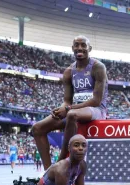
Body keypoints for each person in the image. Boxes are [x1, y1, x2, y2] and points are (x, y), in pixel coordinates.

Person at [31, 35, 108, 170]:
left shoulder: (98, 67)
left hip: (95, 110)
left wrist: (67, 109)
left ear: (89, 48)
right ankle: (49, 172)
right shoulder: (68, 72)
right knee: (37, 128)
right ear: (72, 48)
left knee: (72, 115)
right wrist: (60, 109)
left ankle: (62, 158)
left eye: (83, 45)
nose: (80, 48)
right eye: (77, 45)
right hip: (74, 109)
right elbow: (67, 100)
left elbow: (96, 101)